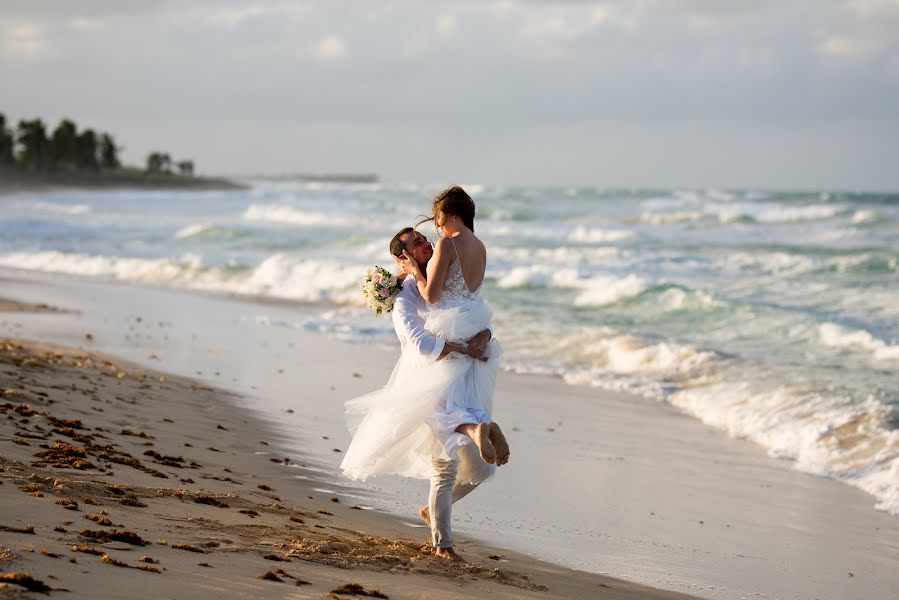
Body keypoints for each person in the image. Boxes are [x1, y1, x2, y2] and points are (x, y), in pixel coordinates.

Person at [340, 223, 504, 561]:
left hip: (464, 382)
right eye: (415, 243)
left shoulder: (439, 281)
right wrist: (461, 347)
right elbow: (420, 344)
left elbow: (472, 319)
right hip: (429, 389)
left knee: (484, 470)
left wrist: (483, 338)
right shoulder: (406, 300)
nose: (425, 242)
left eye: (423, 237)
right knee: (444, 468)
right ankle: (443, 546)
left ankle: (431, 513)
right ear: (404, 260)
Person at [399, 185, 510, 466]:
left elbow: (431, 296)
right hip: (475, 324)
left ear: (450, 215)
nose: (436, 225)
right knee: (465, 400)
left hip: (449, 325)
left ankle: (474, 430)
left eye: (437, 217)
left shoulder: (449, 244)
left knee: (437, 406)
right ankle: (482, 424)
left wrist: (414, 272)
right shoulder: (480, 246)